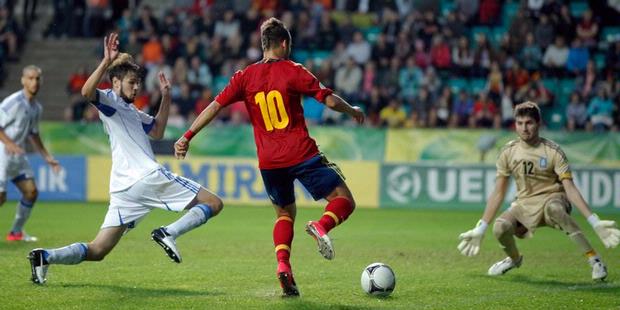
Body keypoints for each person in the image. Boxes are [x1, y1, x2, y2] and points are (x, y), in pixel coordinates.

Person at [174, 18, 364, 297]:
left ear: (264, 44)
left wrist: (187, 136)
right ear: (284, 44)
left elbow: (215, 106)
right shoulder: (293, 70)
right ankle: (321, 226)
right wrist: (353, 110)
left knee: (284, 214)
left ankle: (283, 267)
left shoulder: (244, 77)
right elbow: (329, 100)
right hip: (301, 152)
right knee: (343, 200)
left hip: (269, 162)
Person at [27, 33, 224, 284]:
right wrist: (105, 62)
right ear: (116, 83)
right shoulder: (109, 100)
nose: (137, 87)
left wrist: (166, 97)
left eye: (138, 83)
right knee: (214, 203)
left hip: (124, 189)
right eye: (131, 82)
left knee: (98, 250)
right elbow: (87, 91)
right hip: (146, 176)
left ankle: (44, 257)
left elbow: (157, 131)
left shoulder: (131, 110)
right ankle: (168, 233)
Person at [457, 101, 620, 280]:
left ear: (538, 123)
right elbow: (498, 192)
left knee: (554, 209)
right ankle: (514, 259)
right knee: (500, 228)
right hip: (525, 204)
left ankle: (594, 260)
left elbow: (570, 189)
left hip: (553, 198)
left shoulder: (553, 151)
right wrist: (481, 228)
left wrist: (594, 221)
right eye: (519, 123)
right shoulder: (508, 152)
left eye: (529, 123)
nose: (524, 128)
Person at [0, 65, 61, 242]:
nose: (34, 82)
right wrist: (9, 143)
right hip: (2, 153)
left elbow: (33, 133)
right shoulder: (13, 103)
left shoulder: (36, 108)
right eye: (31, 78)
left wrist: (47, 157)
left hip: (17, 155)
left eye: (37, 78)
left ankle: (16, 232)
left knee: (31, 192)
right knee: (1, 197)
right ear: (23, 80)